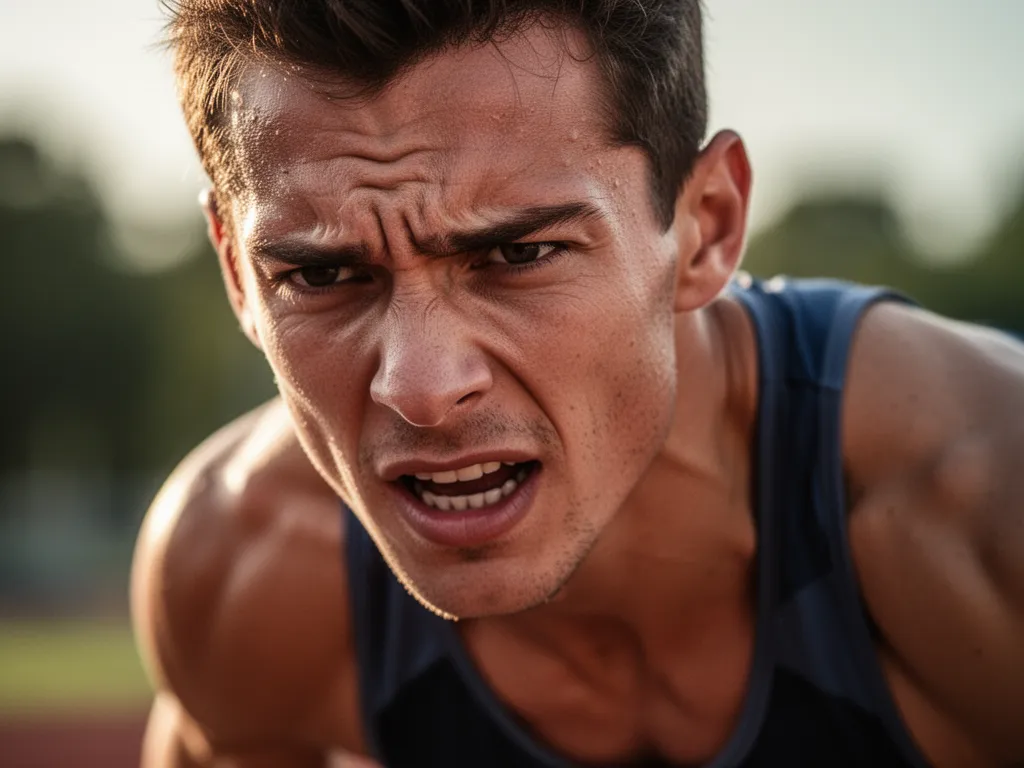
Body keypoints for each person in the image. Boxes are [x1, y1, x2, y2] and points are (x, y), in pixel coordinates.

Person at [131, 1, 1024, 766]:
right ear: (240, 277)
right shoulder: (244, 567)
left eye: (518, 254)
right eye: (323, 277)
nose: (422, 388)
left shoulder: (983, 510)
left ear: (706, 227)